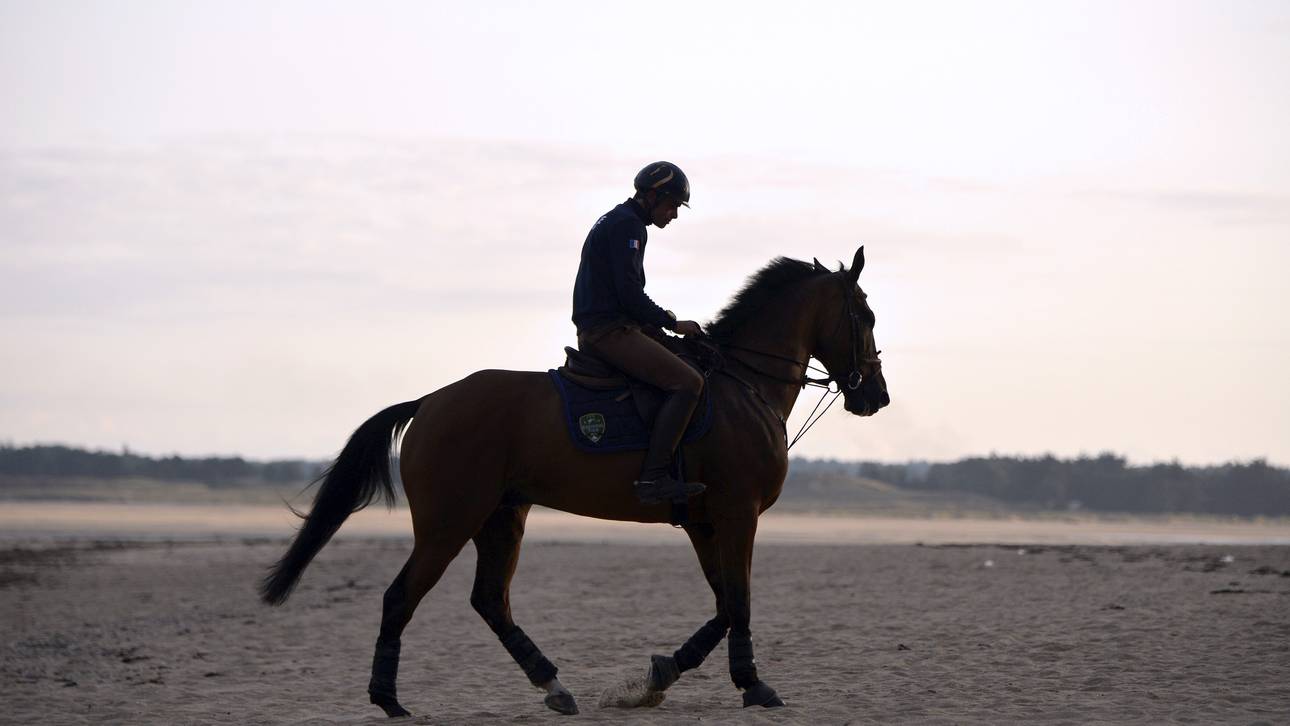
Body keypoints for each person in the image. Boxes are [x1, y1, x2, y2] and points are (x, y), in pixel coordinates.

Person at [571, 161, 707, 504]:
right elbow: (629, 295)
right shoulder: (629, 226)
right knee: (689, 383)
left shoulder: (619, 219)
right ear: (651, 196)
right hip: (608, 331)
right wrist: (671, 322)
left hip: (609, 325)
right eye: (672, 204)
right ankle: (653, 479)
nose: (674, 214)